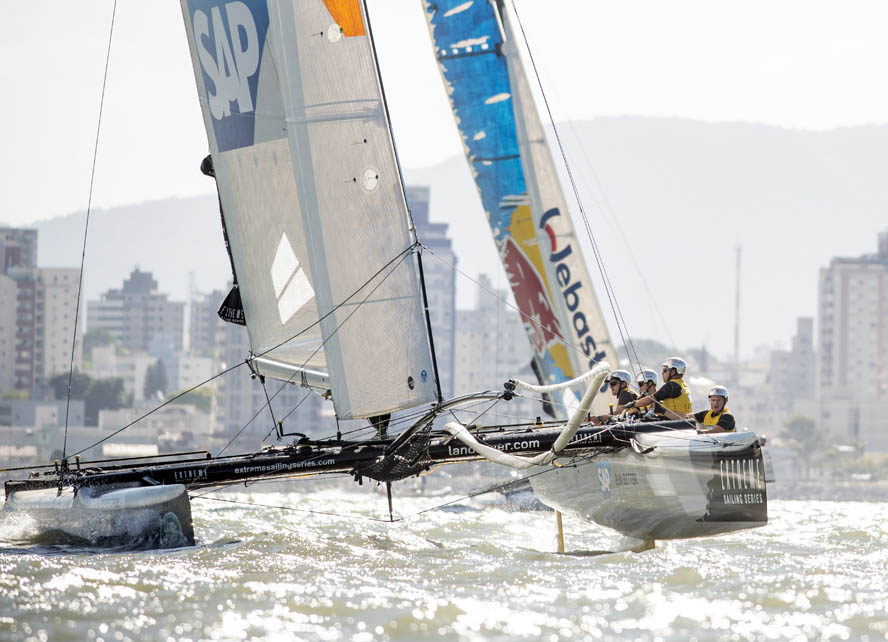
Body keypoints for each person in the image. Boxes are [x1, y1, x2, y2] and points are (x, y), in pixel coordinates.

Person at [623, 357, 692, 420]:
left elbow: (651, 399)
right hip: (683, 421)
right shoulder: (684, 385)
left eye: (665, 370)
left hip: (672, 423)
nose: (662, 373)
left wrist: (634, 404)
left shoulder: (671, 385)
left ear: (673, 372)